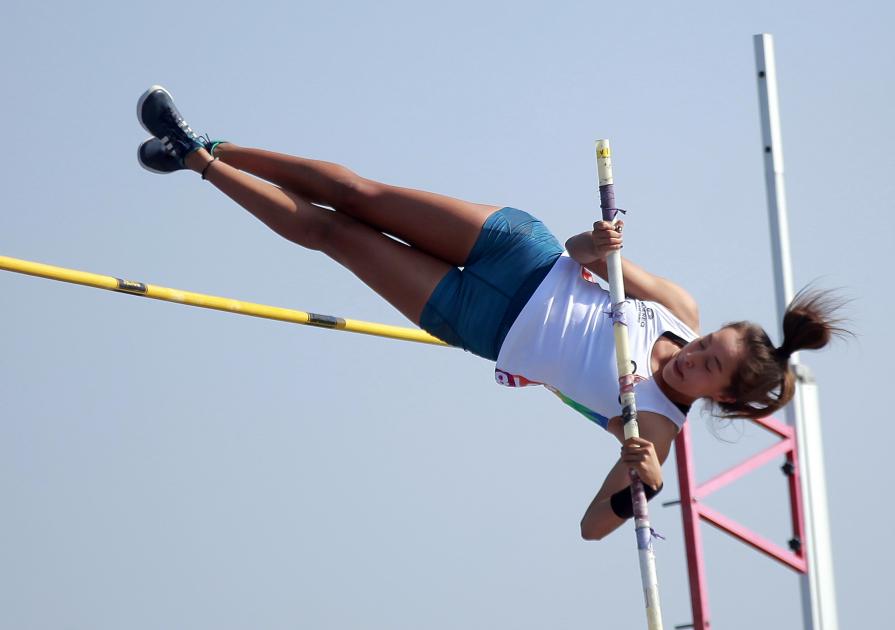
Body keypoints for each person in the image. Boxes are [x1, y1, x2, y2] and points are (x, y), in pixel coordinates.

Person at [136, 85, 848, 541]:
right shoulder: (677, 307)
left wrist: (636, 489)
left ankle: (197, 165)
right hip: (524, 253)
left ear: (720, 397)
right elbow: (577, 252)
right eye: (709, 345)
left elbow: (590, 529)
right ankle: (205, 142)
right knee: (358, 193)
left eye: (707, 367)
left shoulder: (654, 431)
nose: (694, 355)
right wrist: (597, 244)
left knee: (335, 236)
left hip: (478, 322)